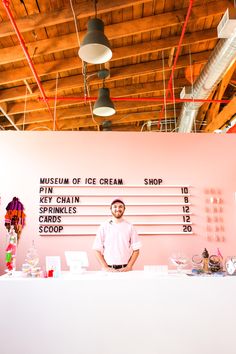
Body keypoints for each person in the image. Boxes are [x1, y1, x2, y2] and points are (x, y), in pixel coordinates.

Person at [93, 198, 141, 272]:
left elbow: (136, 249)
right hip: (108, 270)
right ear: (111, 209)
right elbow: (97, 249)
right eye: (115, 206)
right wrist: (105, 267)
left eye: (120, 206)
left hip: (125, 270)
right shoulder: (103, 226)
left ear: (124, 209)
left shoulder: (130, 226)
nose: (118, 209)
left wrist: (129, 267)